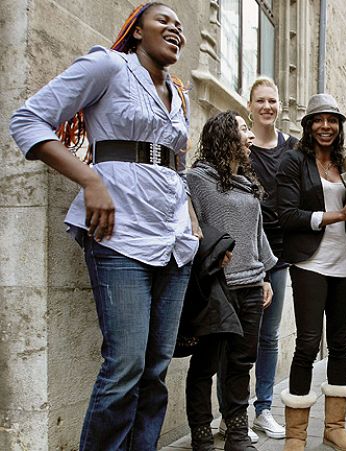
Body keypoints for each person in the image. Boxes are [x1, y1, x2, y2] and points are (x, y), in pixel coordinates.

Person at [9, 3, 199, 449]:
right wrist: (90, 177)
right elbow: (27, 121)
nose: (175, 31)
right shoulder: (109, 66)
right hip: (121, 236)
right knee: (126, 365)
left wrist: (190, 218)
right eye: (164, 22)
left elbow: (177, 164)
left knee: (156, 368)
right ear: (136, 31)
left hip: (174, 241)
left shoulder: (179, 93)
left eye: (180, 26)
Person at [276, 93, 346, 451]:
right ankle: (296, 434)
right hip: (309, 263)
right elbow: (287, 216)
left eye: (332, 120)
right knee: (307, 343)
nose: (326, 126)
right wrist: (337, 215)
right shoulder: (292, 163)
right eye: (319, 120)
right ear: (308, 125)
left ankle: (334, 427)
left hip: (345, 263)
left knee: (339, 346)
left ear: (339, 126)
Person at [184, 111, 277, 451]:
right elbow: (186, 221)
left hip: (251, 285)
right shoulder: (196, 180)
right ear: (224, 136)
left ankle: (237, 435)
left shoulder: (248, 184)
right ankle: (201, 435)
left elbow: (257, 233)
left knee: (241, 362)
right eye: (242, 129)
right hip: (215, 288)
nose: (250, 136)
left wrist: (265, 274)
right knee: (205, 363)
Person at [218, 77, 298, 442]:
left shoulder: (292, 148)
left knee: (268, 337)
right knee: (232, 336)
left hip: (276, 254)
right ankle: (229, 414)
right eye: (261, 100)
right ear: (249, 106)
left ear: (279, 106)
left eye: (273, 100)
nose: (267, 106)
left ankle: (263, 408)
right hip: (239, 256)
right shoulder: (240, 145)